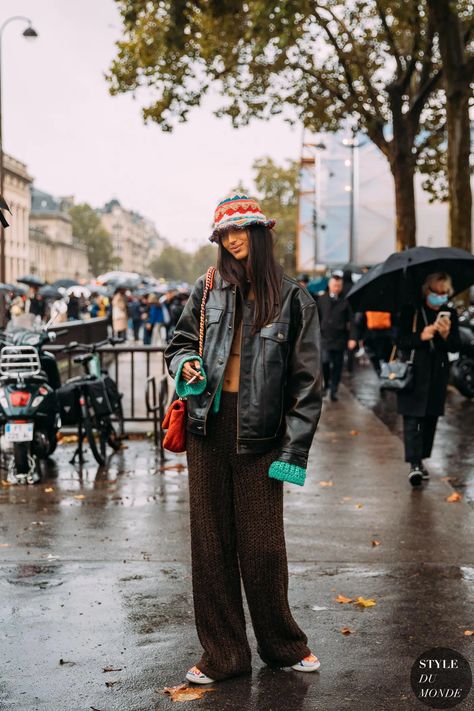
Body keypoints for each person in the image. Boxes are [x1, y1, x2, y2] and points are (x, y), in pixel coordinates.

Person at [164, 193, 322, 685]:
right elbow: (180, 341)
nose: (233, 239)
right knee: (210, 547)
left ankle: (282, 646)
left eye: (242, 230)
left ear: (260, 233)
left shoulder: (294, 297)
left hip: (262, 434)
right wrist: (184, 363)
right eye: (224, 233)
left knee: (263, 548)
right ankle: (224, 656)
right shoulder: (207, 288)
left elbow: (308, 383)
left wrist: (294, 451)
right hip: (207, 425)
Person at [395, 272, 460, 487]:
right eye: (436, 292)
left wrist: (445, 336)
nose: (440, 297)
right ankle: (414, 464)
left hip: (437, 374)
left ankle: (421, 460)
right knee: (413, 420)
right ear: (427, 291)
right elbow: (401, 341)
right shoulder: (412, 310)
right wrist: (420, 337)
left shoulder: (449, 313)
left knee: (430, 420)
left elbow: (455, 347)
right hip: (414, 373)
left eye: (444, 293)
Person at [316, 271, 357, 401]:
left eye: (339, 285)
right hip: (325, 338)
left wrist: (352, 338)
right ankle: (326, 384)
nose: (337, 288)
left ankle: (334, 390)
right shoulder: (322, 299)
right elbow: (316, 318)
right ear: (330, 285)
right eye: (334, 285)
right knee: (325, 362)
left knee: (338, 365)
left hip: (340, 338)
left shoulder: (346, 300)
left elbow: (352, 321)